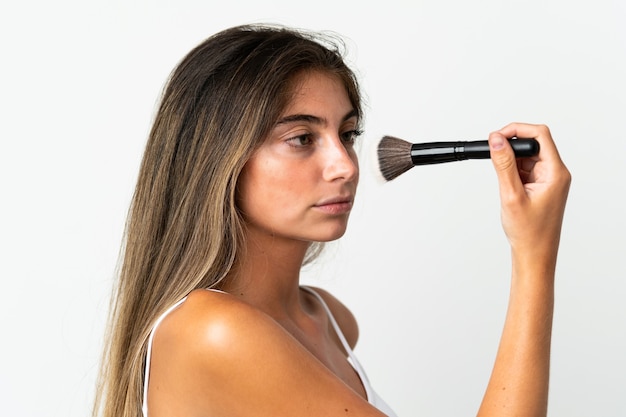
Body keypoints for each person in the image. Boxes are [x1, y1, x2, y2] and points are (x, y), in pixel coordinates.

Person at [93, 23, 571, 417]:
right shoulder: (213, 331)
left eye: (347, 134)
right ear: (218, 159)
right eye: (302, 138)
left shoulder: (327, 318)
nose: (345, 165)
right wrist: (534, 254)